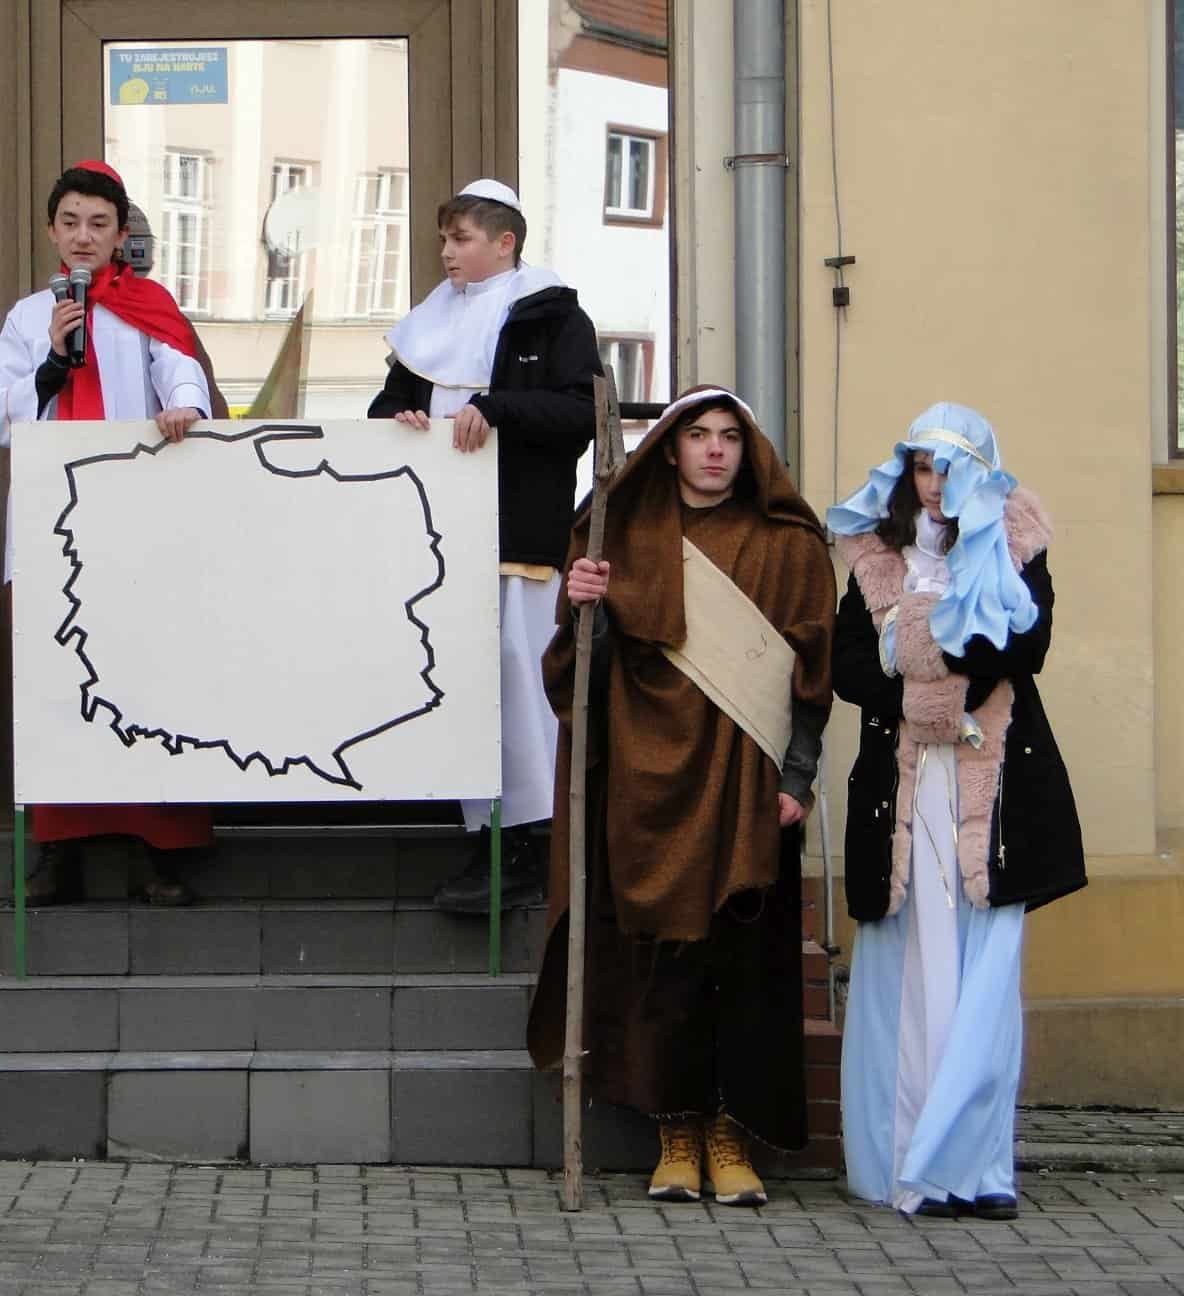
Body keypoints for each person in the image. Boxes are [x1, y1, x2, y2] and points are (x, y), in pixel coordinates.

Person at [526, 386, 836, 1206]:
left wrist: (797, 776)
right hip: (646, 785)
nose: (715, 450)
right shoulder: (620, 535)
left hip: (747, 785)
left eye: (729, 435)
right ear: (670, 447)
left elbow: (813, 672)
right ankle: (676, 1134)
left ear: (749, 449)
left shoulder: (789, 545)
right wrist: (585, 606)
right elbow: (580, 670)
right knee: (660, 967)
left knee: (745, 963)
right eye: (698, 435)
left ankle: (732, 1137)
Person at [829, 403, 1085, 1221]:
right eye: (922, 468)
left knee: (985, 977)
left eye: (951, 469)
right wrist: (921, 689)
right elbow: (847, 666)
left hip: (994, 794)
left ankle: (975, 1168)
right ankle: (905, 1162)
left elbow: (1022, 647)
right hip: (901, 794)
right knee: (905, 971)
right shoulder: (875, 559)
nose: (935, 485)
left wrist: (920, 647)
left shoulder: (1016, 549)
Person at [0, 160, 217, 906]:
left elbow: (182, 374)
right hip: (53, 525)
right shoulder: (29, 318)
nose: (84, 236)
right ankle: (59, 850)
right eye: (71, 222)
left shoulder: (148, 305)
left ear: (120, 235)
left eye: (99, 223)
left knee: (148, 680)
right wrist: (54, 363)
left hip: (135, 522)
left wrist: (184, 406)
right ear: (52, 232)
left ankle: (159, 849)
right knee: (58, 682)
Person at [368, 178, 599, 913]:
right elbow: (386, 405)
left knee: (522, 687)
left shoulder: (552, 316)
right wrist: (400, 417)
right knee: (465, 686)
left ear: (505, 242)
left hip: (519, 537)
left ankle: (533, 843)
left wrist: (497, 409)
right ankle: (489, 837)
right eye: (444, 239)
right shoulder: (430, 321)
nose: (447, 252)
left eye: (461, 238)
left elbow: (580, 413)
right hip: (441, 541)